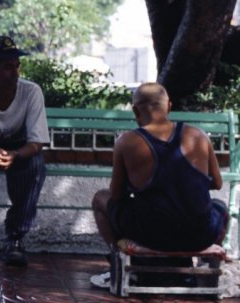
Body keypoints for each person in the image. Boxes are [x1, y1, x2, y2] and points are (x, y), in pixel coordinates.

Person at [90, 82, 229, 287]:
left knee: (100, 198)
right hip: (200, 234)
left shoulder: (126, 142)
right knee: (220, 207)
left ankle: (117, 262)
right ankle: (204, 270)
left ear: (136, 110)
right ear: (169, 106)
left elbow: (116, 195)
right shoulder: (199, 136)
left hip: (150, 234)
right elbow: (217, 183)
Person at [0, 35, 48, 268]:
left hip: (18, 149)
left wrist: (14, 155)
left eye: (16, 66)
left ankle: (14, 238)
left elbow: (37, 143)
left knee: (35, 166)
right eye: (7, 67)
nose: (15, 73)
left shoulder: (30, 92)